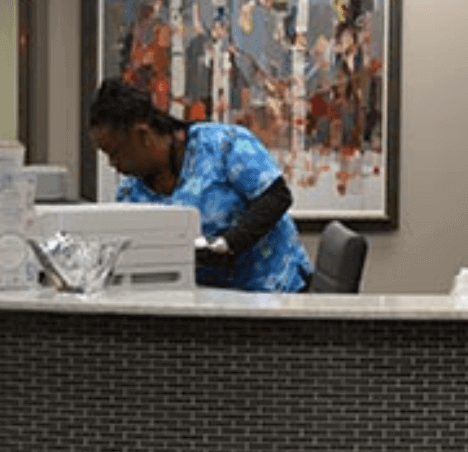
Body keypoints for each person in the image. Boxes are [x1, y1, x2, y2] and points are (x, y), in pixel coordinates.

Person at [89, 78, 313, 292]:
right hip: (207, 302)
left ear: (143, 135)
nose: (113, 164)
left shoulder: (223, 144)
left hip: (274, 289)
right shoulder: (130, 194)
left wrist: (225, 245)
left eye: (116, 153)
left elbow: (276, 197)